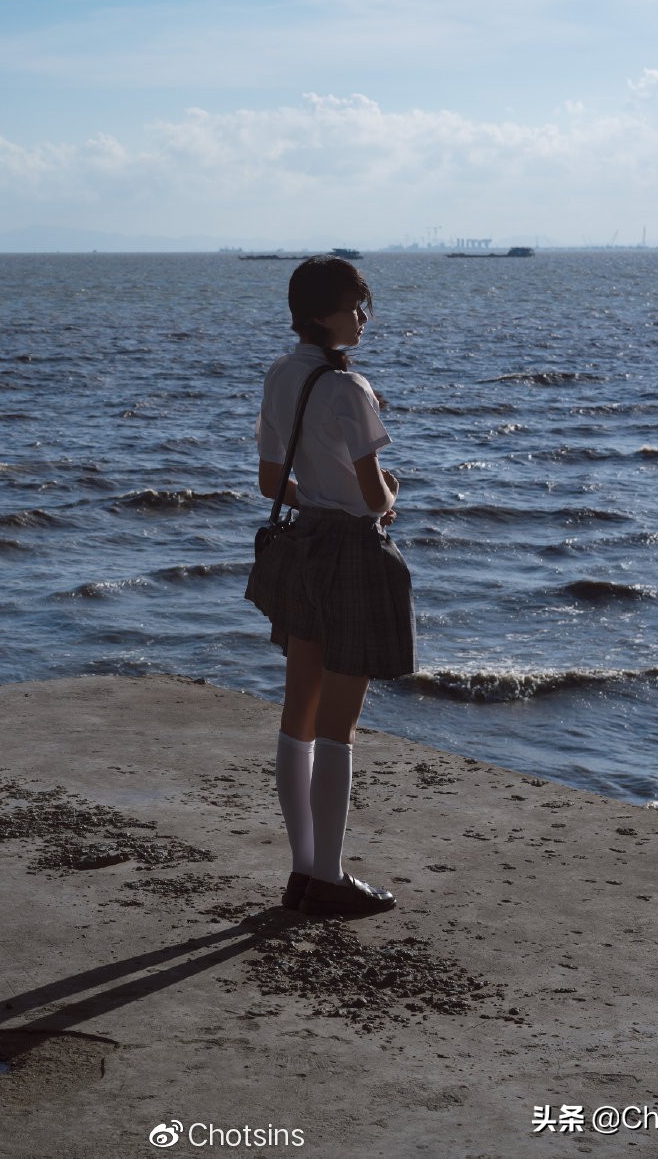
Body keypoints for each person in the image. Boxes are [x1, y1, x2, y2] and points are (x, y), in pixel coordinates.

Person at [245, 255, 416, 916]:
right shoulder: (349, 390)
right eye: (354, 306)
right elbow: (374, 499)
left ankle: (301, 873)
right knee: (340, 725)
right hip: (348, 556)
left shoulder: (281, 375)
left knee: (299, 715)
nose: (363, 318)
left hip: (302, 548)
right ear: (321, 313)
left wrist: (316, 495)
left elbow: (269, 483)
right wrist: (388, 493)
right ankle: (332, 878)